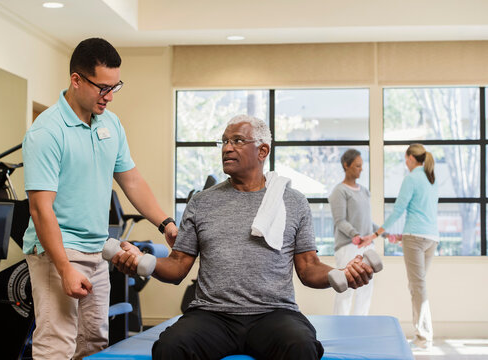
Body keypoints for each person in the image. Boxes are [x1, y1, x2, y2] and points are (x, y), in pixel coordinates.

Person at [113, 115, 374, 360]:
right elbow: (178, 265)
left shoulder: (293, 202)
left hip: (274, 313)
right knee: (170, 347)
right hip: (212, 315)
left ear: (263, 151)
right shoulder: (201, 202)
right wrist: (142, 263)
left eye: (237, 141)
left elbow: (309, 268)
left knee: (302, 346)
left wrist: (341, 274)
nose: (227, 148)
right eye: (224, 141)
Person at [22, 37, 178, 360]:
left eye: (114, 87)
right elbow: (40, 209)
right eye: (102, 87)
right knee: (56, 345)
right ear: (76, 80)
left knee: (93, 345)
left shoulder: (110, 123)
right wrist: (64, 268)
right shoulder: (47, 132)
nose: (109, 96)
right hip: (57, 251)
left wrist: (165, 222)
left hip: (97, 250)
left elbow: (131, 180)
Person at [364, 143, 438, 350]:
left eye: (405, 159)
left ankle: (424, 338)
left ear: (410, 158)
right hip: (431, 237)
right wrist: (402, 236)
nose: (405, 162)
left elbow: (399, 210)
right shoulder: (431, 178)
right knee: (418, 286)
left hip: (415, 237)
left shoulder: (412, 177)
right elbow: (424, 212)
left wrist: (376, 234)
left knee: (417, 286)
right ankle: (423, 335)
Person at [328, 149, 378, 316]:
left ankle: (360, 327)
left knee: (366, 290)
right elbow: (340, 220)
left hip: (366, 246)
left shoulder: (364, 191)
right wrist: (356, 235)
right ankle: (340, 328)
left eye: (362, 166)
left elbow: (366, 221)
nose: (361, 169)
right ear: (346, 165)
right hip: (348, 246)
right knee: (345, 290)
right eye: (357, 166)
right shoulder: (339, 191)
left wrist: (382, 232)